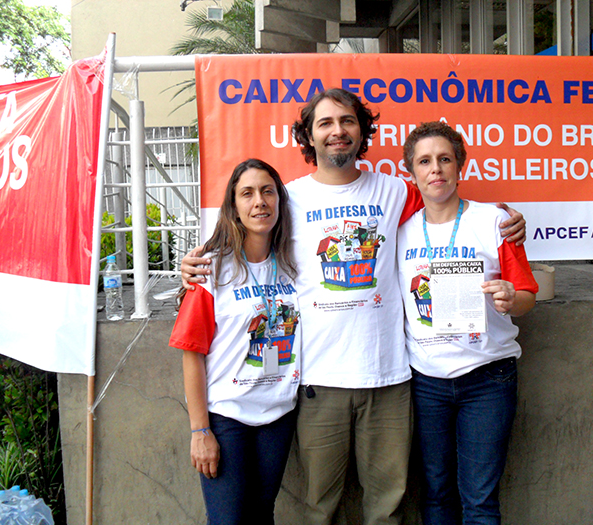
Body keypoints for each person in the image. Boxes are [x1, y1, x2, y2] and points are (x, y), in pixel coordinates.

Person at [181, 89, 527, 525]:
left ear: (362, 131)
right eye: (325, 123)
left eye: (347, 121)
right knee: (318, 510)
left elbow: (443, 203)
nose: (337, 131)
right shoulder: (287, 199)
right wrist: (195, 264)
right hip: (318, 382)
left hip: (390, 380)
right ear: (308, 136)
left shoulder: (396, 191)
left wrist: (506, 221)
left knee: (387, 510)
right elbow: (248, 237)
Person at [397, 121, 538, 524]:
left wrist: (511, 298)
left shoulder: (493, 222)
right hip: (427, 381)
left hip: (487, 379)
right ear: (411, 172)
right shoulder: (400, 232)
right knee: (437, 493)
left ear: (460, 165)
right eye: (425, 161)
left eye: (445, 159)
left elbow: (526, 296)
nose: (435, 169)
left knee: (480, 500)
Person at [169, 158, 301, 525]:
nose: (259, 201)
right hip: (227, 417)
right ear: (233, 206)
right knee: (228, 520)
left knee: (262, 514)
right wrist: (200, 431)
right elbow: (191, 353)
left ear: (279, 201)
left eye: (267, 191)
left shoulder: (293, 264)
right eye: (248, 193)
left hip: (278, 415)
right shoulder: (210, 269)